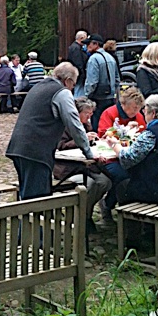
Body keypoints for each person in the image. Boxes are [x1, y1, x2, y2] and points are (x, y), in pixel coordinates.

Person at [6, 62, 96, 200]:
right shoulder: (62, 92)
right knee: (38, 201)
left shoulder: (39, 86)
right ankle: (31, 222)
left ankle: (25, 221)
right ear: (67, 81)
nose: (72, 89)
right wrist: (89, 153)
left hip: (19, 147)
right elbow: (75, 125)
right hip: (36, 151)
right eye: (73, 85)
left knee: (28, 197)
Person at [53, 97, 112, 234]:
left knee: (105, 182)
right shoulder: (66, 125)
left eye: (91, 114)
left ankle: (85, 212)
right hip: (68, 168)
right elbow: (61, 146)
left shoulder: (86, 125)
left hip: (85, 166)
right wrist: (82, 139)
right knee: (89, 185)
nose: (89, 117)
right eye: (87, 114)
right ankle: (83, 217)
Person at [84, 34, 120, 132]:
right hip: (110, 98)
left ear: (96, 44)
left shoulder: (93, 59)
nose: (87, 47)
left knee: (97, 125)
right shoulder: (110, 57)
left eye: (89, 44)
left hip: (97, 98)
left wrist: (87, 96)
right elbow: (117, 79)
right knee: (108, 126)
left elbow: (92, 82)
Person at [67, 31, 89, 97]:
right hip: (79, 77)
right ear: (81, 38)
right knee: (79, 93)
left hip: (77, 75)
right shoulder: (76, 48)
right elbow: (78, 63)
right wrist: (82, 75)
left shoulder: (75, 47)